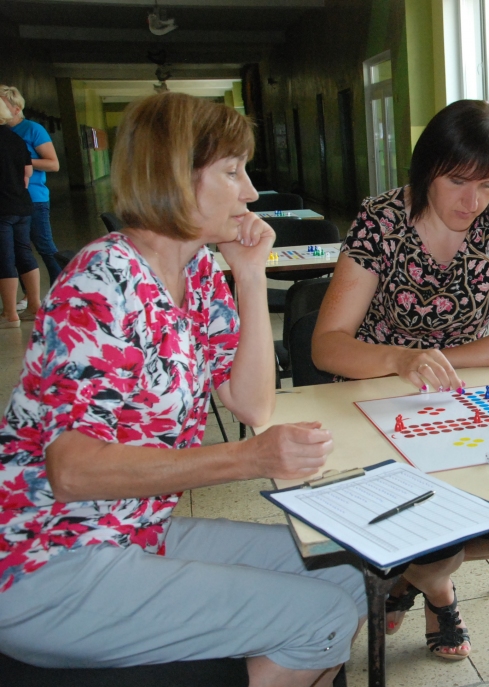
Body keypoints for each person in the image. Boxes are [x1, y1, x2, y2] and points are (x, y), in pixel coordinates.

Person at [0, 92, 365, 687]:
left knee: (346, 570)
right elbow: (73, 471)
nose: (249, 191)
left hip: (131, 528)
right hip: (47, 558)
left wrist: (248, 274)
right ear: (175, 176)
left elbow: (252, 404)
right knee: (322, 615)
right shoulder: (101, 282)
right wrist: (245, 459)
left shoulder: (195, 272)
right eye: (231, 171)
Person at [312, 99, 489, 660]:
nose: (473, 202)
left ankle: (405, 576)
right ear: (426, 171)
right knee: (414, 511)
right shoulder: (382, 219)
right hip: (375, 397)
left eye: (488, 185)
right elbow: (328, 345)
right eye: (457, 181)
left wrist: (439, 360)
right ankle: (437, 588)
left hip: (455, 399)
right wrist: (399, 359)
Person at [0, 86, 62, 287]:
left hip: (34, 197)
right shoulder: (4, 133)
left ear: (16, 109)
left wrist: (20, 161)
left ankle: (61, 287)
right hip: (11, 199)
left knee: (44, 245)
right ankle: (28, 296)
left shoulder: (32, 129)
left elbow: (53, 163)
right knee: (18, 250)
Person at [0, 96, 41, 328]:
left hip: (2, 207)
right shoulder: (16, 139)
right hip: (22, 204)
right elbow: (27, 174)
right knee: (24, 252)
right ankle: (34, 305)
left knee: (4, 256)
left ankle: (9, 313)